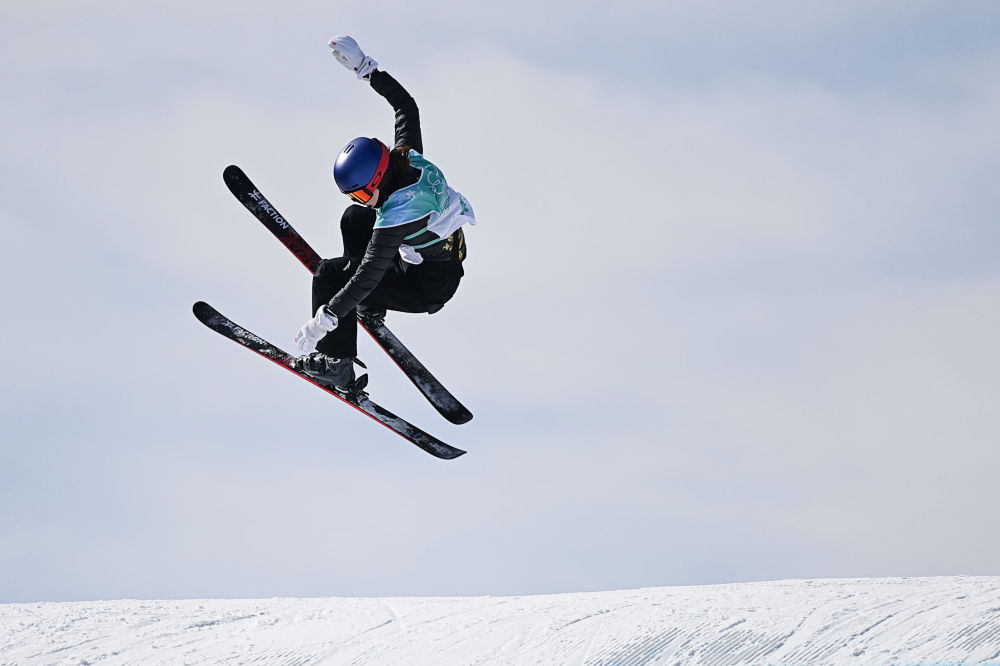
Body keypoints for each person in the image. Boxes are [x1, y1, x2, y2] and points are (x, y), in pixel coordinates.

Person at [291, 35, 476, 394]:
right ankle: (370, 310)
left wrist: (325, 321)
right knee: (353, 219)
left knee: (330, 275)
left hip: (428, 288)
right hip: (428, 263)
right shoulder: (407, 159)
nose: (362, 200)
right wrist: (366, 68)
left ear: (375, 177)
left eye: (360, 193)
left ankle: (335, 363)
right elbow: (406, 108)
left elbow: (365, 278)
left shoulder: (399, 214)